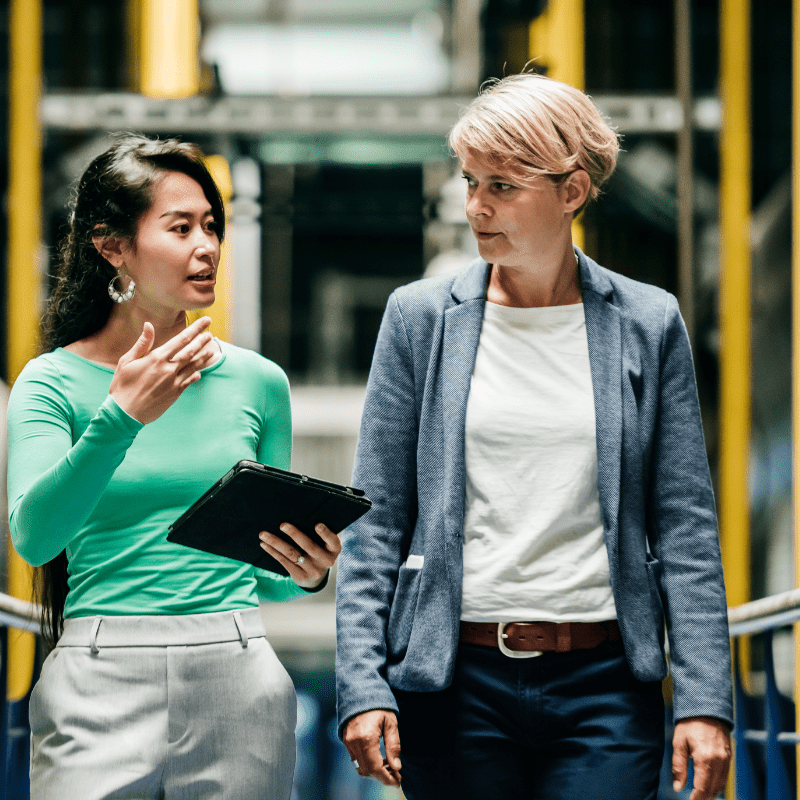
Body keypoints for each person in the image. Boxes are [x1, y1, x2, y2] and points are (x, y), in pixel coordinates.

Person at [335, 73, 732, 800]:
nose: (476, 207)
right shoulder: (420, 318)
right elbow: (378, 520)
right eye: (471, 181)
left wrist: (706, 701)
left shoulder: (648, 322)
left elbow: (684, 526)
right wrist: (362, 683)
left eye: (504, 187)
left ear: (572, 191)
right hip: (457, 682)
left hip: (605, 684)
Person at [7, 135, 341, 800]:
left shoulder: (257, 382)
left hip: (237, 666)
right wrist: (121, 418)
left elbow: (268, 585)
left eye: (212, 225)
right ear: (113, 246)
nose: (207, 246)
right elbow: (36, 537)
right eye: (180, 226)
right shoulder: (50, 383)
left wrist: (302, 571)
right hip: (98, 671)